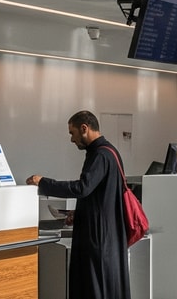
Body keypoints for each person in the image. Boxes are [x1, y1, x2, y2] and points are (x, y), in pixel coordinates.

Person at [26, 111, 130, 299]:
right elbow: (100, 195)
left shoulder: (99, 155)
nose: (72, 139)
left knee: (94, 287)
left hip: (98, 238)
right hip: (109, 234)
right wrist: (81, 211)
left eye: (72, 133)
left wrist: (43, 182)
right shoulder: (111, 152)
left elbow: (82, 188)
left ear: (84, 128)